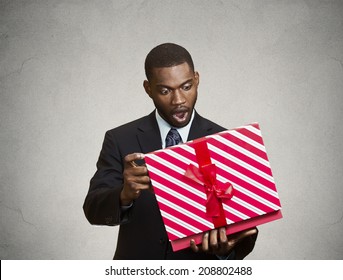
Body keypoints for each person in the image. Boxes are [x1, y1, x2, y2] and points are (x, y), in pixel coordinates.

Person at [83, 43, 258, 260]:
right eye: (165, 91)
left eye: (186, 86)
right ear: (148, 89)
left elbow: (247, 225)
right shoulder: (120, 139)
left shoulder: (226, 142)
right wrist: (124, 194)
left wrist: (226, 252)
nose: (179, 101)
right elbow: (92, 210)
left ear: (196, 79)